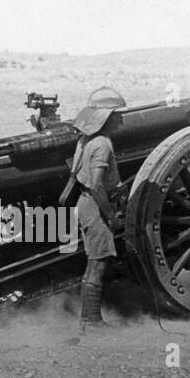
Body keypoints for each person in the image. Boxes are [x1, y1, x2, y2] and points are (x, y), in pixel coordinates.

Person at [66, 87, 127, 330]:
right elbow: (97, 184)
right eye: (117, 114)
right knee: (97, 263)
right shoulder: (102, 144)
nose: (121, 119)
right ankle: (91, 320)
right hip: (95, 205)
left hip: (86, 202)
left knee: (95, 261)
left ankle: (89, 318)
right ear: (106, 118)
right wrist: (111, 215)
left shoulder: (86, 139)